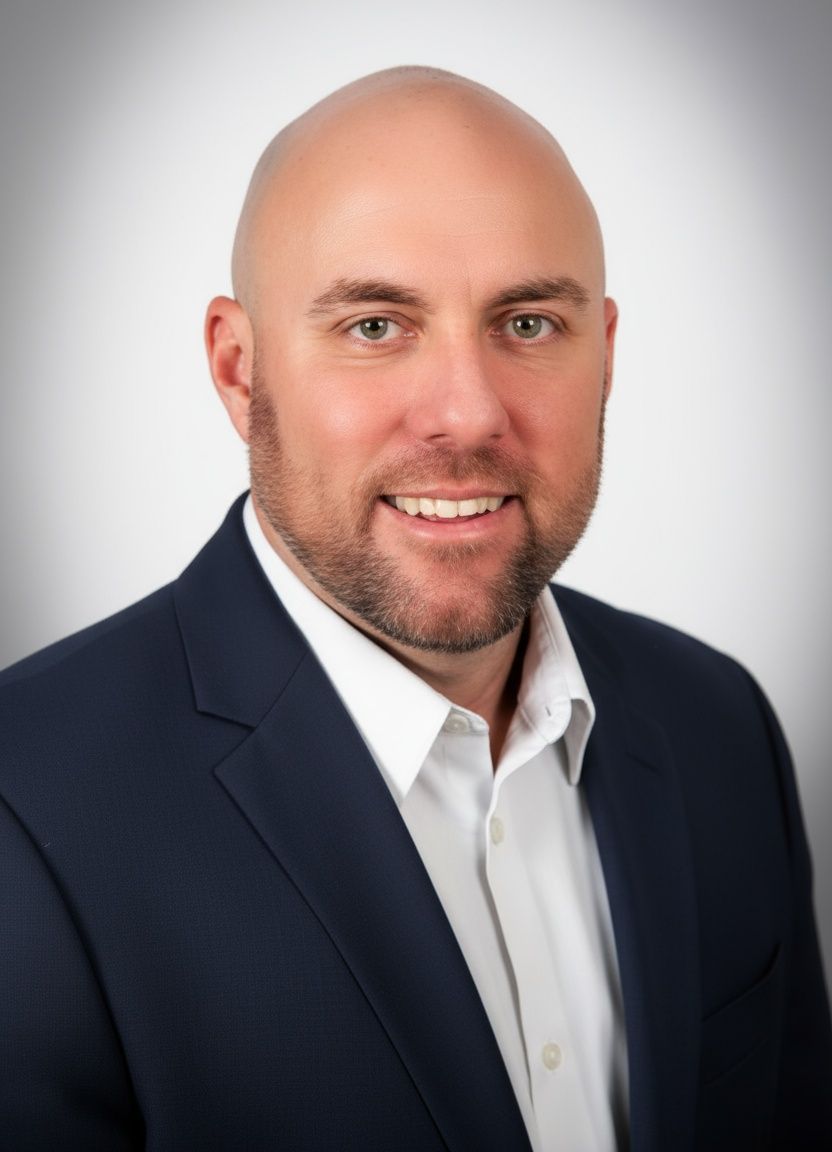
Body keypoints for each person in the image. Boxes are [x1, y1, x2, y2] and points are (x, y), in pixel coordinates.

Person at [1, 66, 829, 1152]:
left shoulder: (718, 722)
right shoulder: (26, 800)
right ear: (238, 370)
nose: (467, 413)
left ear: (607, 357)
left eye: (527, 324)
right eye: (376, 326)